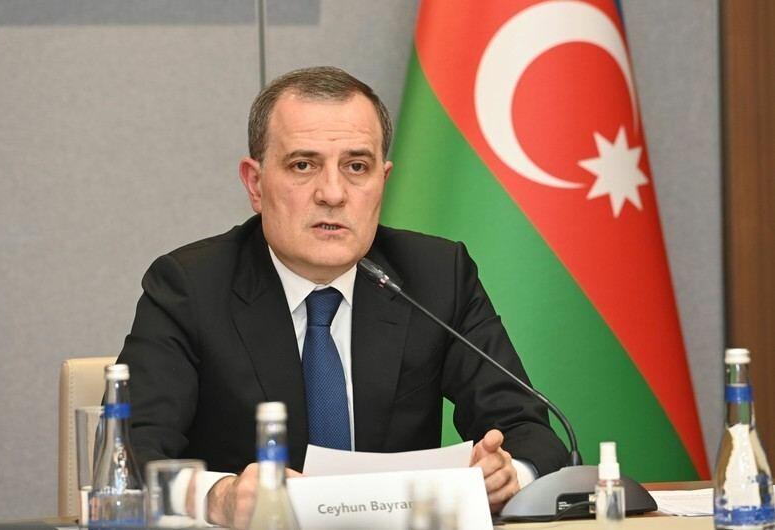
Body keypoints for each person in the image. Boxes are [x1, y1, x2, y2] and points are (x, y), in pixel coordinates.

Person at [117, 66, 568, 527]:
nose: (332, 193)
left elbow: (529, 430)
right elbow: (127, 456)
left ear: (383, 181)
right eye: (303, 165)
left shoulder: (435, 277)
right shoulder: (190, 287)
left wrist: (509, 474)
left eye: (356, 167)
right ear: (255, 183)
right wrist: (219, 497)